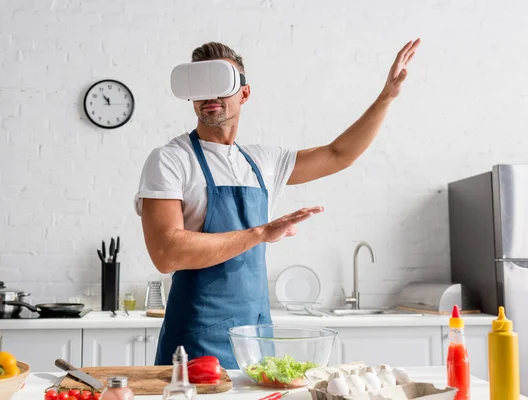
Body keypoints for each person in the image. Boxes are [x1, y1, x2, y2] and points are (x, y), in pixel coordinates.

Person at [134, 39, 421, 368]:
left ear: (244, 93)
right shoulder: (171, 160)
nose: (210, 96)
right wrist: (259, 233)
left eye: (222, 83)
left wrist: (387, 96)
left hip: (255, 338)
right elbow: (166, 253)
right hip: (196, 340)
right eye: (201, 84)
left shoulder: (262, 162)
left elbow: (339, 155)